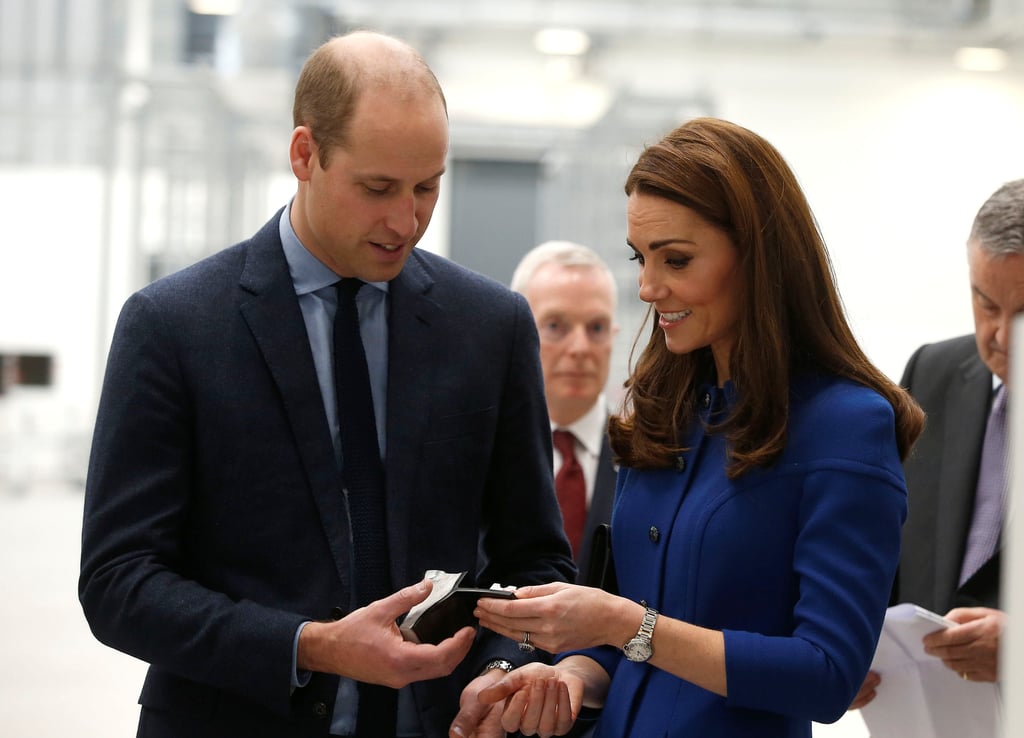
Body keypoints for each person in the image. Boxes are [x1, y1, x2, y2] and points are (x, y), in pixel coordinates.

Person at [78, 31, 575, 738]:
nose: (406, 222)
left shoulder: (490, 327)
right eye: (377, 189)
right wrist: (307, 644)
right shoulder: (174, 325)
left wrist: (500, 671)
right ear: (304, 154)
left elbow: (534, 557)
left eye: (427, 187)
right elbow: (118, 582)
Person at [468, 116, 925, 738]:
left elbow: (827, 674)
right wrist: (572, 675)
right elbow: (633, 644)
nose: (648, 287)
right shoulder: (666, 409)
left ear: (756, 258)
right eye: (640, 257)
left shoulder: (846, 426)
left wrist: (622, 626)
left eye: (675, 260)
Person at [850, 178, 1024, 709]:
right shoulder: (932, 372)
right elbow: (884, 550)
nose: (999, 336)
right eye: (985, 302)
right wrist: (845, 651)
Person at [510, 241, 619, 581]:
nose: (580, 348)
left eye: (596, 328)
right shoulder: (480, 454)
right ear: (516, 334)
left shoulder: (648, 459)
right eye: (556, 326)